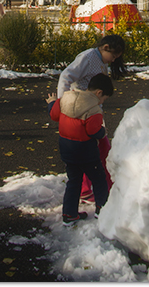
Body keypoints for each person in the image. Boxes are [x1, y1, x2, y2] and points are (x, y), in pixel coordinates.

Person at [57, 34, 126, 199]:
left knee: (101, 149)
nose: (114, 60)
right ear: (105, 47)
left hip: (93, 113)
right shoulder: (87, 58)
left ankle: (104, 186)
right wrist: (62, 103)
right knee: (90, 152)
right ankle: (86, 190)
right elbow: (66, 76)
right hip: (81, 113)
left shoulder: (101, 60)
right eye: (114, 56)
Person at [47, 73, 113, 225]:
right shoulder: (94, 110)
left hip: (68, 151)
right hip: (87, 152)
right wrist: (103, 131)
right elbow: (93, 131)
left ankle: (69, 214)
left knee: (74, 181)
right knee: (98, 179)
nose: (102, 102)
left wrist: (51, 102)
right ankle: (102, 208)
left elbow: (54, 115)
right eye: (104, 99)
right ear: (99, 93)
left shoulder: (65, 98)